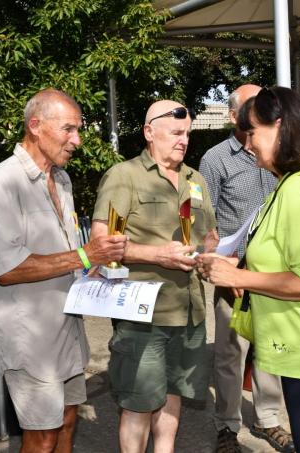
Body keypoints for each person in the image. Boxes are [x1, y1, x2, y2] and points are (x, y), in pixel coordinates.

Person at [197, 87, 300, 453]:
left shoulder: (299, 190)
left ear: (281, 127)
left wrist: (237, 277)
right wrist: (237, 262)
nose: (250, 142)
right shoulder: (295, 182)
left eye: (253, 132)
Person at [0, 88, 127, 453]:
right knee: (42, 437)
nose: (77, 140)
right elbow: (7, 269)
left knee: (68, 419)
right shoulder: (3, 182)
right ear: (35, 126)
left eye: (78, 130)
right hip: (30, 338)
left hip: (67, 328)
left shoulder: (61, 179)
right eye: (68, 129)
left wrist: (90, 270)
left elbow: (64, 252)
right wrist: (84, 256)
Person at [90, 100, 218, 453]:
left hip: (189, 310)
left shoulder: (196, 180)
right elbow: (102, 244)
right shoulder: (124, 177)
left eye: (188, 134)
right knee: (139, 403)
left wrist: (214, 254)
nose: (184, 140)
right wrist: (156, 254)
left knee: (172, 394)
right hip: (142, 315)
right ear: (149, 132)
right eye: (176, 133)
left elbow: (208, 236)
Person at [199, 84, 294, 453]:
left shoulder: (281, 154)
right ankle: (227, 425)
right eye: (251, 107)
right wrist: (222, 264)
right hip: (233, 275)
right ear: (232, 115)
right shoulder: (215, 158)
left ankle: (269, 419)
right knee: (230, 353)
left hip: (270, 276)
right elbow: (208, 224)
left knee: (271, 348)